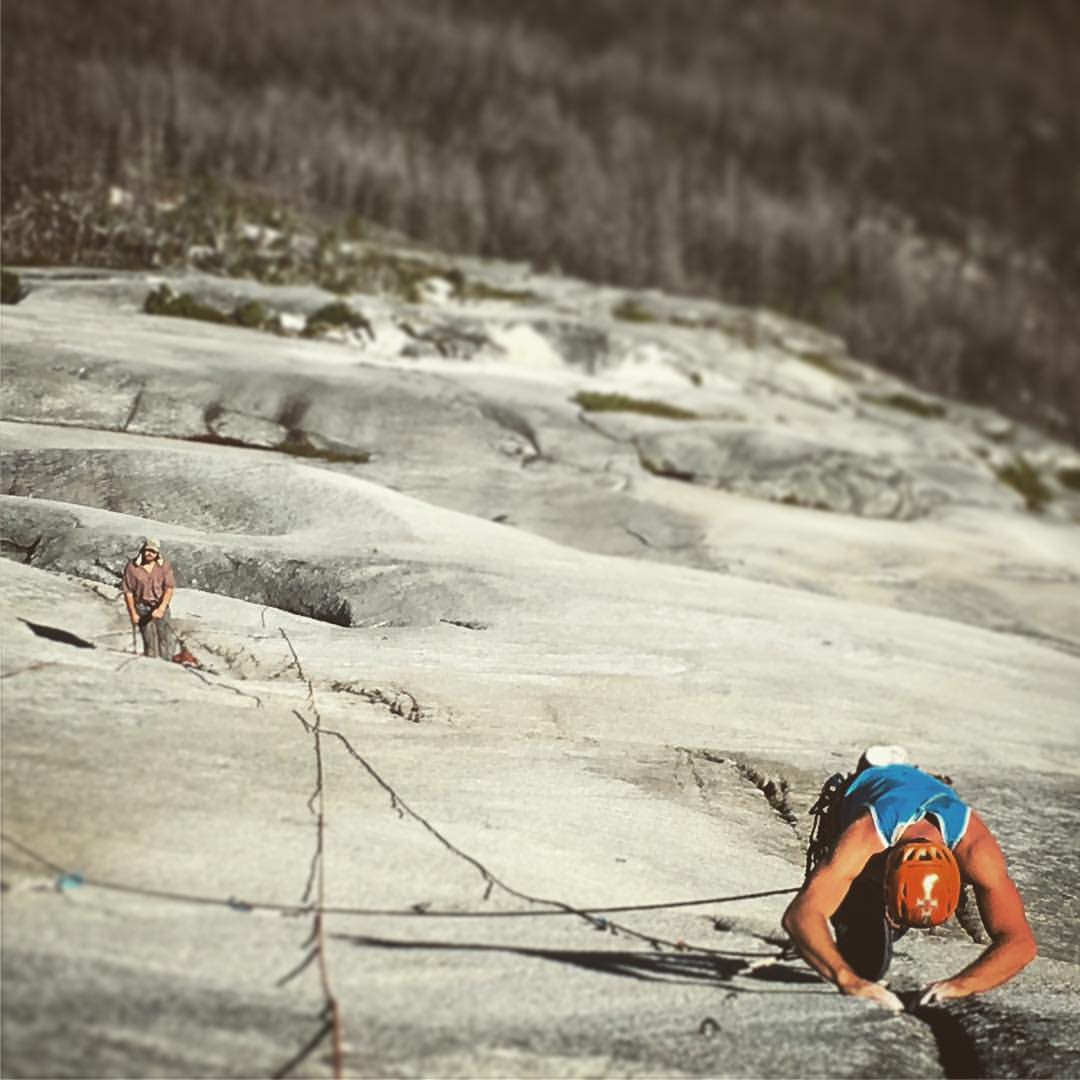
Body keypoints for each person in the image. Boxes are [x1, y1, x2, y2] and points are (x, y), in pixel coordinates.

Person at [783, 746, 1037, 1012]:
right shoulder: (866, 835)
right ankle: (875, 766)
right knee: (862, 962)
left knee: (865, 957)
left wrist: (961, 985)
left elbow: (1020, 942)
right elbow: (801, 915)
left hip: (923, 798)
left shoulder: (975, 848)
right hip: (874, 794)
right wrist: (849, 981)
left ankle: (902, 769)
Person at [122, 537, 176, 659]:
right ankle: (151, 667)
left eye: (153, 551)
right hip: (142, 607)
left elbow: (169, 588)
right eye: (147, 550)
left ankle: (167, 666)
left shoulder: (164, 566)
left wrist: (161, 608)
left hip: (160, 605)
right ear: (142, 550)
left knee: (166, 639)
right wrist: (133, 613)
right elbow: (128, 592)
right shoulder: (132, 567)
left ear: (157, 553)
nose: (149, 554)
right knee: (148, 640)